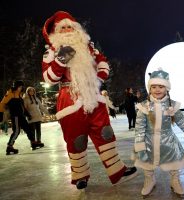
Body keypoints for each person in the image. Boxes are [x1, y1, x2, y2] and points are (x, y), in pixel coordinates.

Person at [41, 11, 137, 189]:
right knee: (76, 139)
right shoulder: (52, 52)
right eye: (64, 28)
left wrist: (99, 77)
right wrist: (64, 55)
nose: (68, 30)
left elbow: (103, 62)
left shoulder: (89, 47)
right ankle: (80, 176)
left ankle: (117, 169)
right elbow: (49, 78)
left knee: (105, 133)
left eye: (71, 26)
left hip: (93, 95)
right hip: (70, 100)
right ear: (56, 32)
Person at [134, 69, 184, 198]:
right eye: (154, 87)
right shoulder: (144, 107)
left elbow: (181, 121)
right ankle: (149, 180)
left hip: (169, 142)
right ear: (149, 89)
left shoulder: (172, 106)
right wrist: (140, 144)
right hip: (148, 141)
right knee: (147, 164)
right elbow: (139, 127)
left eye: (161, 86)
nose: (157, 90)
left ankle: (175, 180)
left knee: (173, 163)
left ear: (167, 88)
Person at [0, 80, 41, 155]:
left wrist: (27, 114)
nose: (20, 88)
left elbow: (22, 107)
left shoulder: (20, 94)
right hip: (15, 116)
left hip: (21, 116)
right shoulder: (10, 93)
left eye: (21, 87)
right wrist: (1, 114)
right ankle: (9, 146)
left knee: (28, 129)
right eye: (19, 86)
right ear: (15, 86)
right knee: (16, 131)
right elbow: (2, 103)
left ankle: (33, 142)